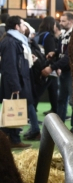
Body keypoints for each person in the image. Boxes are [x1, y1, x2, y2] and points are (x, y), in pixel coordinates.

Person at [0, 16, 41, 148]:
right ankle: (13, 139)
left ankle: (11, 137)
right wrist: (15, 85)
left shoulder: (16, 41)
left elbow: (16, 62)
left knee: (18, 109)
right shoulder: (10, 42)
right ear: (17, 27)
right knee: (14, 110)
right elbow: (9, 65)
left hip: (21, 80)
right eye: (23, 24)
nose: (25, 27)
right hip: (16, 82)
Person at [41, 12, 73, 136]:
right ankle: (61, 126)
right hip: (64, 71)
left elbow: (69, 57)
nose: (61, 23)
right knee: (61, 99)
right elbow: (62, 51)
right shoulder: (64, 34)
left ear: (71, 21)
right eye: (61, 21)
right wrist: (54, 53)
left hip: (72, 72)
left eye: (64, 21)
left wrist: (52, 67)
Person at [35, 16, 59, 114]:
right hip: (48, 66)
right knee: (41, 90)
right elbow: (51, 52)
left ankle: (54, 109)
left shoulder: (39, 34)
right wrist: (54, 66)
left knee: (52, 89)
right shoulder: (49, 36)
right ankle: (31, 110)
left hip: (39, 64)